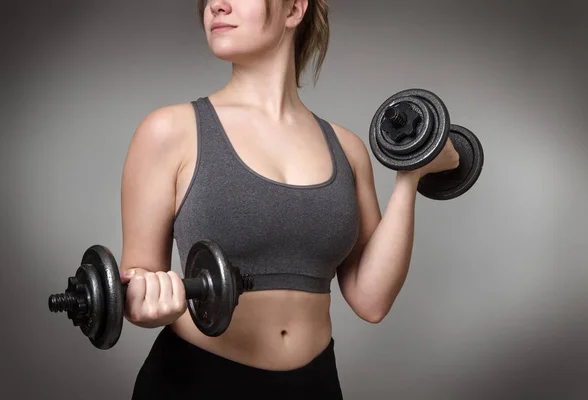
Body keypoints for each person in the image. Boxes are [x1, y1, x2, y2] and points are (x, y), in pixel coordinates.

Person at [119, 0, 460, 398]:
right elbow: (136, 283)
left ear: (294, 9)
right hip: (196, 380)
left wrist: (410, 174)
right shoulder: (169, 131)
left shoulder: (345, 148)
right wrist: (146, 304)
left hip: (313, 385)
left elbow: (372, 301)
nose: (217, 6)